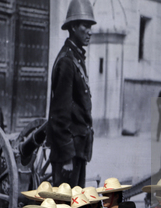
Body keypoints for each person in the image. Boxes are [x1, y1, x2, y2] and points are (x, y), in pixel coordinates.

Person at [46, 0, 96, 187]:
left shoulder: (76, 58)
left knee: (76, 207)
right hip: (69, 154)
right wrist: (67, 157)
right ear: (73, 27)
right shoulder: (67, 61)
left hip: (78, 150)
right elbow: (59, 115)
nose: (89, 31)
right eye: (85, 25)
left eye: (91, 26)